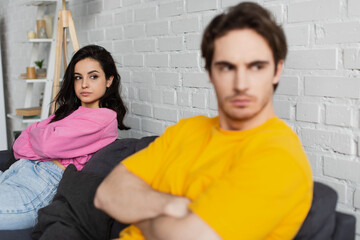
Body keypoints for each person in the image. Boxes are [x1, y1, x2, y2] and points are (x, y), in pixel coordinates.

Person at [94, 2, 313, 240]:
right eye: (227, 67)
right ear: (210, 73)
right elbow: (106, 194)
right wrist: (173, 205)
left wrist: (139, 212)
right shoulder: (188, 129)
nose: (241, 84)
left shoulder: (277, 156)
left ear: (277, 70)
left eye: (256, 66)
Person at [0, 45, 129, 230]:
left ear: (109, 80)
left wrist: (36, 134)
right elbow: (19, 146)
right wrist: (39, 138)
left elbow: (45, 145)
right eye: (78, 77)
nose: (84, 84)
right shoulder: (68, 112)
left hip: (36, 188)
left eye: (93, 76)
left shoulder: (104, 118)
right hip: (16, 172)